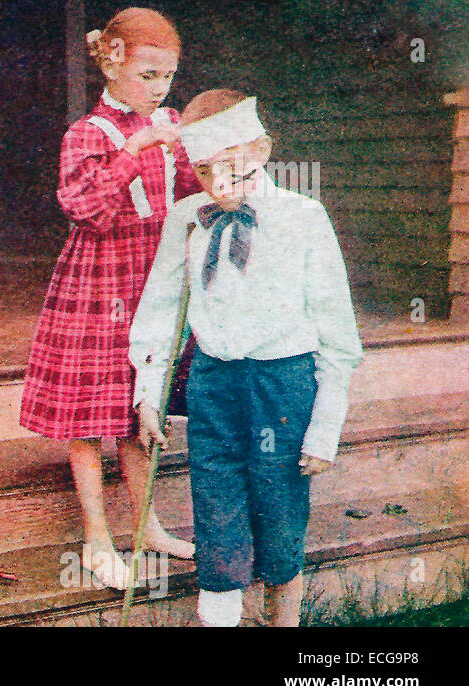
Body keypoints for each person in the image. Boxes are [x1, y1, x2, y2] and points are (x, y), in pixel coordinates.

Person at [130, 89, 364, 626]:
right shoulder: (187, 219)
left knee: (280, 509)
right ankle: (221, 617)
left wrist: (325, 428)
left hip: (284, 387)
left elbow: (337, 334)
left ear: (262, 149)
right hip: (215, 384)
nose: (219, 182)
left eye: (232, 165)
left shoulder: (303, 217)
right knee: (216, 506)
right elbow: (160, 312)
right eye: (205, 169)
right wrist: (149, 394)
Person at [19, 7, 199, 589]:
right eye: (148, 75)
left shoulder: (171, 125)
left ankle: (147, 525)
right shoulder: (88, 133)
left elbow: (193, 194)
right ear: (113, 65)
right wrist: (139, 145)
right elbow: (88, 209)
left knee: (140, 409)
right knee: (92, 411)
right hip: (101, 280)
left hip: (156, 279)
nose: (159, 88)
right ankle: (97, 537)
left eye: (166, 76)